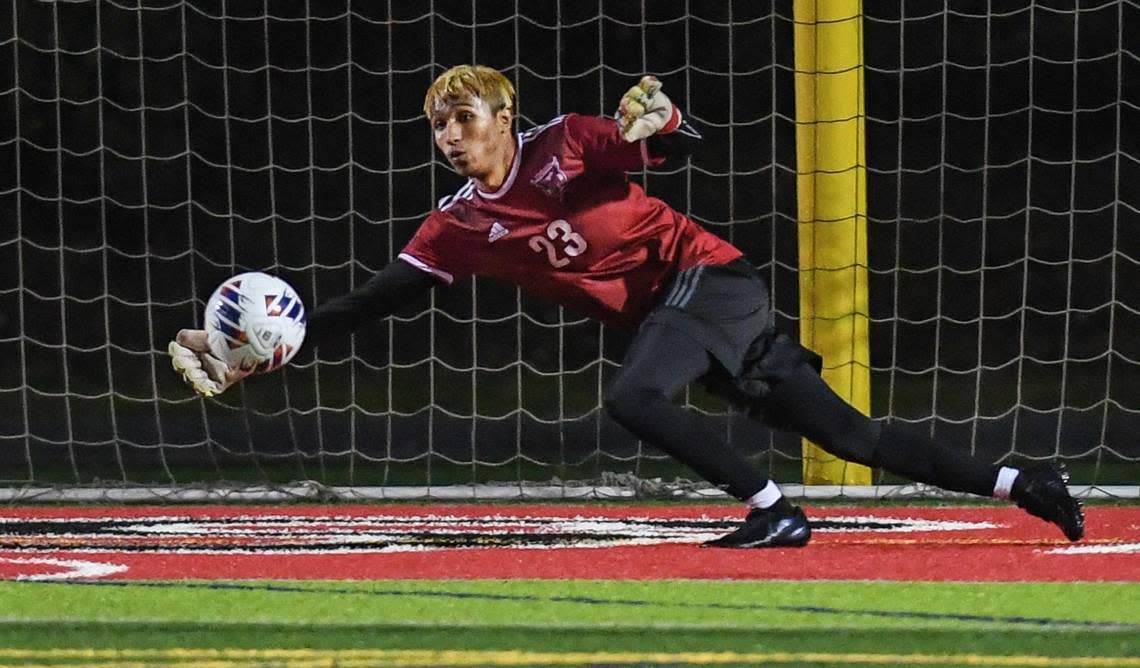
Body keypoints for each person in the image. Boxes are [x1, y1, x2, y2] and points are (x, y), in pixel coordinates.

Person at [169, 64, 1084, 547]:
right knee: (854, 440)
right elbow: (376, 303)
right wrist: (270, 351)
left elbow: (674, 145)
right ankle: (1024, 484)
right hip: (678, 317)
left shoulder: (566, 143)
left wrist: (666, 120)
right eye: (437, 124)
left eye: (463, 117)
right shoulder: (457, 225)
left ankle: (772, 510)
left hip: (709, 281)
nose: (449, 135)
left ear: (503, 114)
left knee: (632, 400)